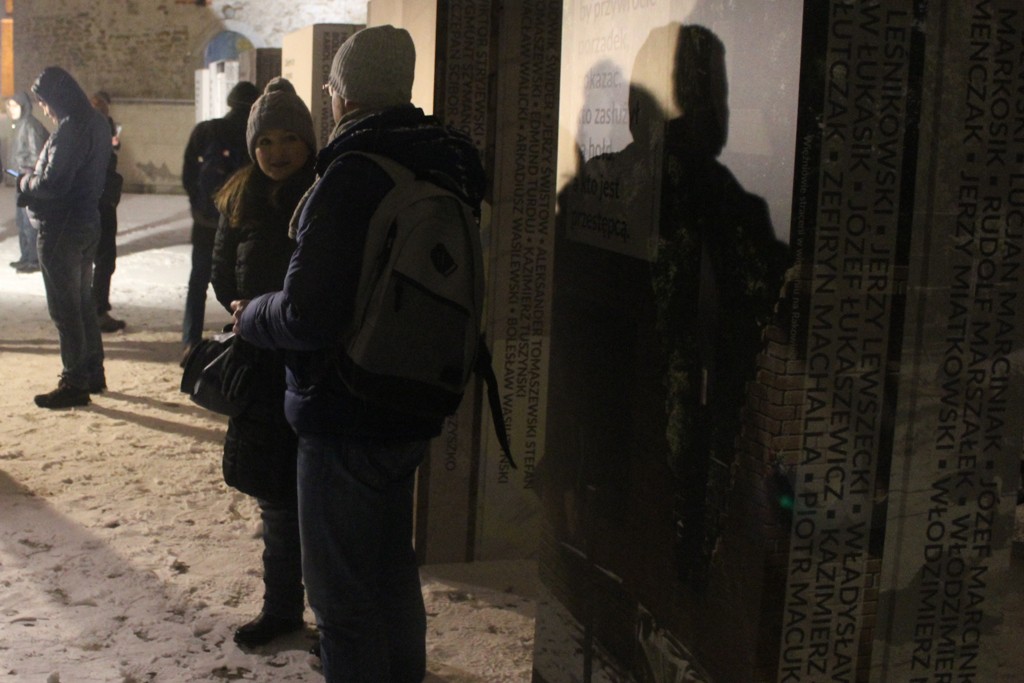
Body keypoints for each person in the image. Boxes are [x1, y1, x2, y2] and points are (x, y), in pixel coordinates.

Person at [232, 25, 486, 682]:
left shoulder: (353, 172)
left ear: (342, 94)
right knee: (391, 570)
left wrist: (250, 315)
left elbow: (308, 314)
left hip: (346, 405)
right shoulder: (439, 160)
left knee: (341, 597)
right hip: (414, 394)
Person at [209, 77, 317, 648]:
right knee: (275, 502)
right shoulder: (239, 197)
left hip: (313, 368)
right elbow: (221, 272)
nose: (277, 152)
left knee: (322, 503)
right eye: (266, 141)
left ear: (308, 142)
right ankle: (282, 609)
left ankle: (336, 620)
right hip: (259, 369)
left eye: (289, 139)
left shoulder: (323, 192)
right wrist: (240, 306)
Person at [17, 66, 112, 408]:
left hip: (61, 226)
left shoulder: (70, 129)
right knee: (82, 301)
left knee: (65, 308)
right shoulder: (97, 123)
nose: (44, 109)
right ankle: (93, 371)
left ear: (57, 98)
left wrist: (25, 181)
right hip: (87, 221)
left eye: (44, 102)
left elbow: (52, 183)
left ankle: (74, 381)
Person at [180, 80, 258, 364]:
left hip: (205, 221)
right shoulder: (254, 134)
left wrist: (199, 204)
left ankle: (190, 342)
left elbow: (188, 173)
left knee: (197, 282)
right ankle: (241, 340)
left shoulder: (206, 130)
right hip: (239, 222)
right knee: (240, 284)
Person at [90, 90, 127, 332]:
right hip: (100, 202)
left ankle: (93, 309)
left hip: (97, 201)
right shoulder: (96, 130)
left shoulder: (87, 129)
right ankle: (97, 311)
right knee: (103, 259)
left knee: (98, 259)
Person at [6, 91, 49, 273]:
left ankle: (33, 260)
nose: (11, 109)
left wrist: (24, 170)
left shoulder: (30, 126)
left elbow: (36, 155)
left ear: (23, 106)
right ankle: (25, 256)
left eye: (15, 105)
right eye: (9, 106)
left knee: (30, 222)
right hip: (20, 180)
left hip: (28, 181)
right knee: (21, 221)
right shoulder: (19, 125)